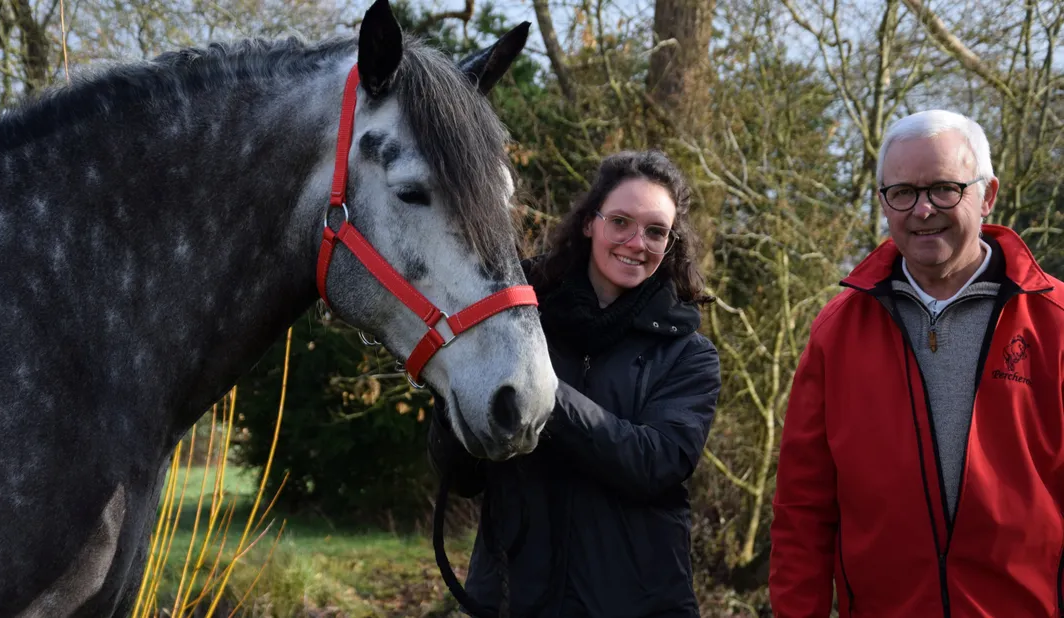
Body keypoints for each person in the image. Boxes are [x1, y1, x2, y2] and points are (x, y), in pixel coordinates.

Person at [768, 109, 1064, 617]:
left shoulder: (1055, 323)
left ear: (988, 194)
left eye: (945, 188)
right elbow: (803, 512)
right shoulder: (836, 333)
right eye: (902, 192)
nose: (923, 210)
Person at [428, 149, 722, 617]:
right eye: (621, 221)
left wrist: (541, 388)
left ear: (671, 244)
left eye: (655, 231)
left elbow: (653, 463)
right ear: (589, 223)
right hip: (511, 602)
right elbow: (463, 477)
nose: (636, 242)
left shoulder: (689, 356)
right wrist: (455, 389)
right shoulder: (518, 327)